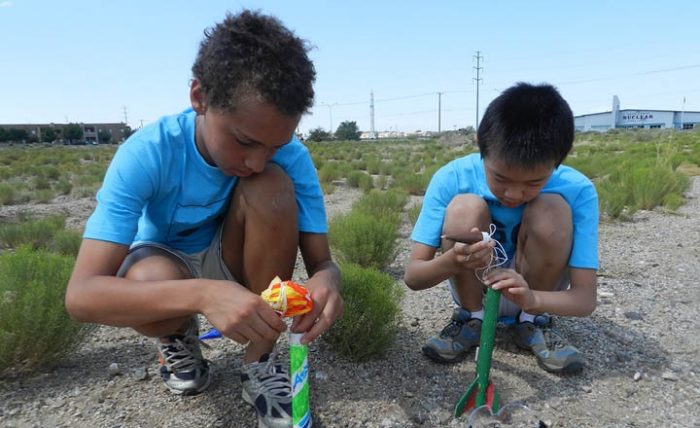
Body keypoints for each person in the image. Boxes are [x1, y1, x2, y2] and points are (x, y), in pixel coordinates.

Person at [65, 10, 343, 428]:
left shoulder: (287, 159)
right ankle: (177, 333)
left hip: (230, 254)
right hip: (166, 260)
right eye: (245, 141)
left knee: (271, 187)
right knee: (147, 283)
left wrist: (328, 280)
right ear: (200, 97)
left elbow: (322, 262)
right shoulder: (148, 152)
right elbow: (82, 296)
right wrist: (203, 296)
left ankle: (260, 363)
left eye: (275, 145)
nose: (256, 159)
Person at [404, 82, 598, 374]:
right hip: (473, 286)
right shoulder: (451, 178)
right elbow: (413, 277)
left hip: (536, 296)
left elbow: (584, 299)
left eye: (534, 183)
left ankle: (531, 323)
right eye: (501, 178)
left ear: (560, 159)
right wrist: (453, 260)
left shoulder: (578, 190)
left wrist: (533, 300)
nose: (514, 194)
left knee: (552, 210)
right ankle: (473, 317)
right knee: (464, 208)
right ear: (480, 144)